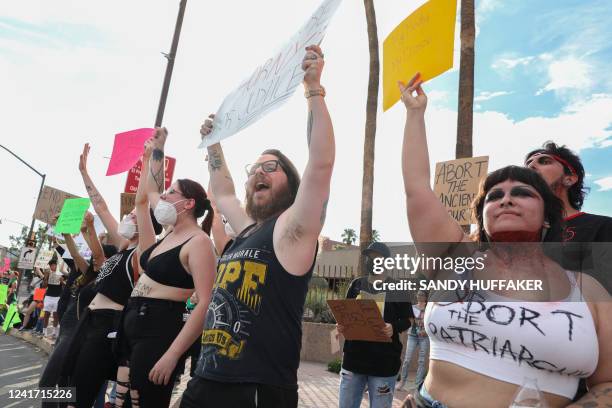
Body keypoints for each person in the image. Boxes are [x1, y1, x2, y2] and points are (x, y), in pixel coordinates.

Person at [398, 73, 612, 408]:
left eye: (522, 193)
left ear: (547, 218)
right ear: (483, 216)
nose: (506, 199)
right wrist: (414, 114)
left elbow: (608, 384)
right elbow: (417, 189)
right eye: (494, 196)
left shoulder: (589, 291)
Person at [180, 44, 334, 408]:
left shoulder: (291, 231)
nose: (259, 174)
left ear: (291, 184)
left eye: (271, 167)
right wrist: (213, 143)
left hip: (256, 390)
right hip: (205, 379)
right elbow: (223, 191)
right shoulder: (247, 230)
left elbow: (322, 164)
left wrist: (313, 90)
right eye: (255, 169)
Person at [118, 134, 216, 408]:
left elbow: (205, 301)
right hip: (133, 328)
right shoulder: (166, 238)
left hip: (158, 334)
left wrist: (173, 354)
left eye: (172, 192)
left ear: (189, 204)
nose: (162, 196)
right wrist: (157, 153)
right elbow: (151, 191)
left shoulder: (198, 243)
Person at [525, 142, 612, 290]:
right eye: (527, 165)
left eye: (544, 161)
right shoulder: (520, 234)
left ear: (569, 178)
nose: (531, 167)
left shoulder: (603, 227)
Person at [337, 242, 413, 408]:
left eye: (377, 258)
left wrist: (393, 327)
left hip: (384, 364)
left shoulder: (398, 288)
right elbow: (345, 314)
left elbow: (409, 320)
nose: (372, 261)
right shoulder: (356, 285)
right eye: (369, 258)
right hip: (353, 360)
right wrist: (341, 325)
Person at [397, 291, 428, 392]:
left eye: (422, 295)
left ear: (426, 297)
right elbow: (408, 320)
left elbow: (431, 322)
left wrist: (425, 331)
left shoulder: (429, 308)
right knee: (407, 359)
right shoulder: (413, 307)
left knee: (422, 361)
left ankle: (417, 384)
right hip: (412, 335)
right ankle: (402, 382)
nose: (419, 296)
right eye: (418, 294)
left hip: (424, 336)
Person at [41, 259, 65, 338]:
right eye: (51, 265)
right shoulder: (48, 273)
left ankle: (54, 332)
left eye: (53, 265)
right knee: (46, 314)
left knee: (55, 315)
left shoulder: (61, 273)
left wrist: (62, 281)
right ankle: (44, 331)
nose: (52, 267)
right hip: (48, 296)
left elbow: (65, 286)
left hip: (57, 297)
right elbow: (44, 286)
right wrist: (45, 277)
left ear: (56, 265)